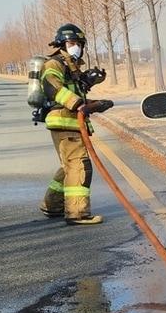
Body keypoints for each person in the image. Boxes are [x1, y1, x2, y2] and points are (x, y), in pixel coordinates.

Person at [37, 23, 113, 225]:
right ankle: (77, 212)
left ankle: (52, 205)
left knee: (69, 166)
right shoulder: (53, 64)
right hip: (64, 122)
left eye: (79, 43)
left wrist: (89, 85)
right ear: (62, 44)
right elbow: (53, 88)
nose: (76, 47)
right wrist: (81, 105)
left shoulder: (72, 67)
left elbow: (76, 91)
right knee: (80, 166)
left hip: (72, 122)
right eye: (72, 43)